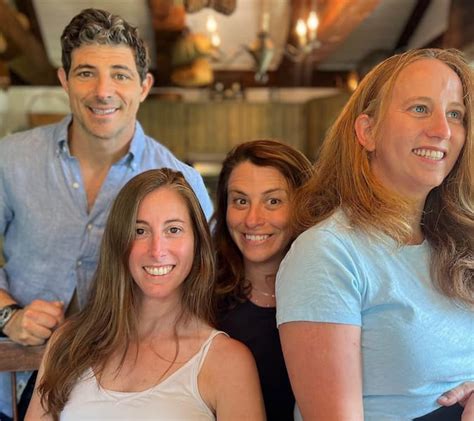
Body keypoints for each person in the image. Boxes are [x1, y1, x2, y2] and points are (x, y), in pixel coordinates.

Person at [0, 8, 212, 419]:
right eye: (86, 73)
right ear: (64, 80)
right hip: (11, 384)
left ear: (144, 86)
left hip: (121, 397)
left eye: (119, 74)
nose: (103, 91)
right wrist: (8, 315)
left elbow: (204, 284)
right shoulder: (11, 159)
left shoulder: (182, 183)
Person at [276, 48, 474, 420]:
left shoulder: (458, 242)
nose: (442, 130)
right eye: (420, 108)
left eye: (455, 114)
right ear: (367, 131)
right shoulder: (328, 253)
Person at [25, 168, 264, 420]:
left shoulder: (227, 362)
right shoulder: (69, 343)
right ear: (119, 242)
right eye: (140, 231)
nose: (157, 250)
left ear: (197, 242)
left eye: (173, 230)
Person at [212, 140, 313, 420]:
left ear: (304, 205)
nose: (253, 219)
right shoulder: (201, 301)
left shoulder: (330, 301)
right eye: (241, 201)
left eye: (273, 201)